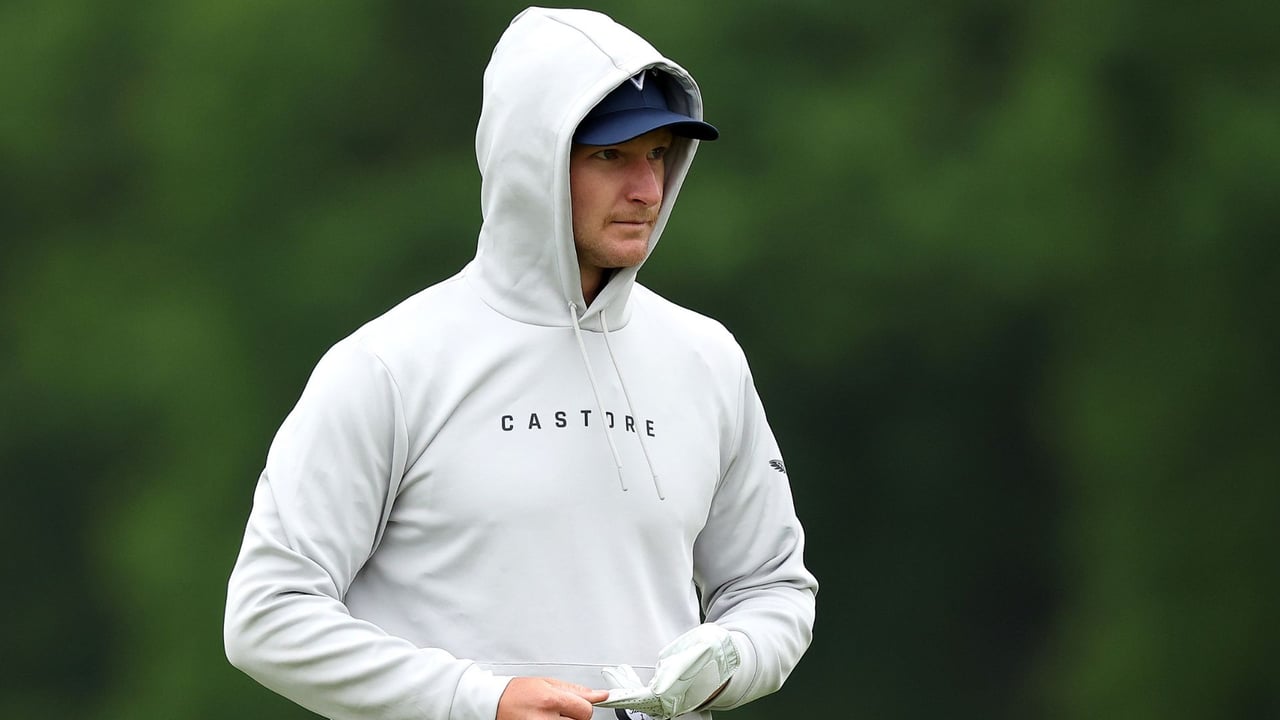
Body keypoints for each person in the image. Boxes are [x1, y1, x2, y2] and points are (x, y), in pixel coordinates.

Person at [224, 7, 816, 720]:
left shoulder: (707, 358)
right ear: (530, 161)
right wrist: (482, 701)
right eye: (611, 156)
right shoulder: (388, 366)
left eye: (658, 154)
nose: (648, 190)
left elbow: (771, 588)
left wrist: (729, 659)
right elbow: (267, 615)